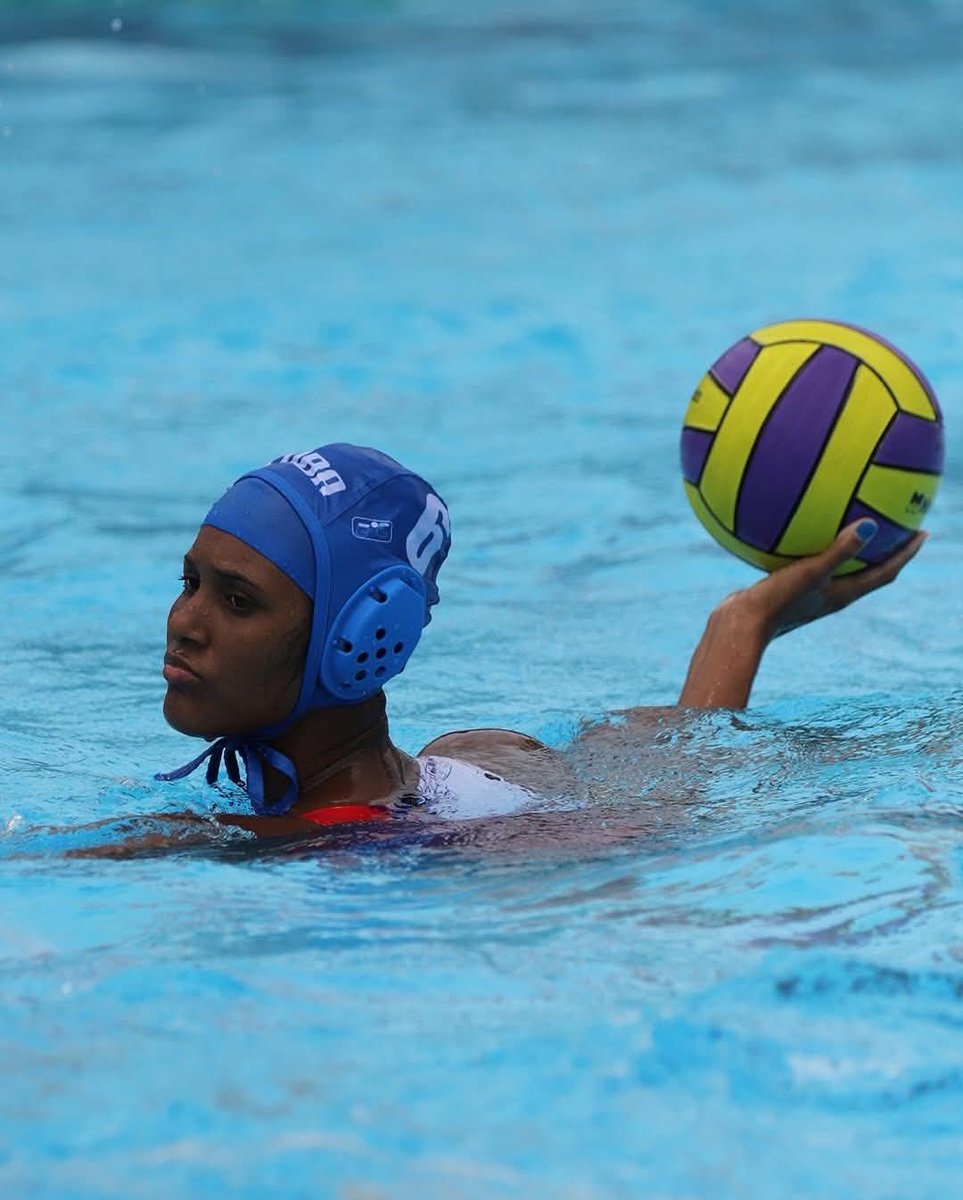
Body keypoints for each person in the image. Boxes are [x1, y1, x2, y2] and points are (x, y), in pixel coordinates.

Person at [154, 442, 926, 841]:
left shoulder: (314, 844)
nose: (186, 622)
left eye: (238, 601)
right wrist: (742, 626)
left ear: (361, 637)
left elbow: (672, 828)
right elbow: (686, 765)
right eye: (190, 582)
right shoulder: (479, 755)